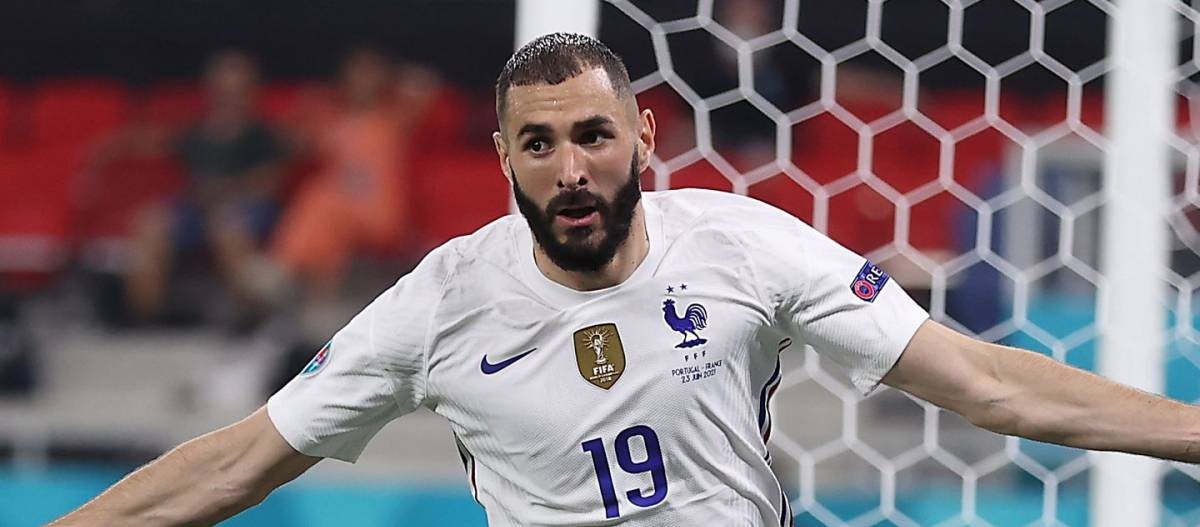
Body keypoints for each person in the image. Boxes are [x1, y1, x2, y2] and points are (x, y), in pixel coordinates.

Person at [50, 33, 1200, 527]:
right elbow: (239, 459)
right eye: (539, 143)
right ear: (503, 158)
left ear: (644, 135)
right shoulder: (439, 300)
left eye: (594, 134)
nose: (572, 168)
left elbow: (992, 383)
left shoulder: (744, 244)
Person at [124, 50, 285, 328]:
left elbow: (267, 183)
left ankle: (248, 318)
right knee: (149, 222)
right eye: (224, 90)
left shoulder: (264, 134)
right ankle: (147, 318)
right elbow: (176, 171)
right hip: (197, 208)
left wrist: (225, 192)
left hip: (246, 207)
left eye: (237, 90)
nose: (229, 97)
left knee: (228, 227)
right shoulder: (196, 132)